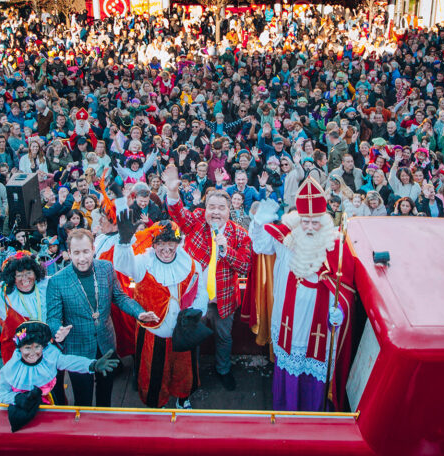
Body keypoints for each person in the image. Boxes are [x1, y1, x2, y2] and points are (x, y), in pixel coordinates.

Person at [248, 177, 357, 411]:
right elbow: (260, 246)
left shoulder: (335, 245)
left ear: (324, 221)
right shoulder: (285, 239)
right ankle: (285, 408)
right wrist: (259, 221)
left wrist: (341, 310)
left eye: (314, 222)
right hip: (287, 317)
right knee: (288, 361)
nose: (308, 227)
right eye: (304, 221)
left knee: (314, 366)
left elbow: (345, 288)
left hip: (317, 323)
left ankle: (314, 414)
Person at [161, 163, 252, 391]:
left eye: (221, 207)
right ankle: (191, 375)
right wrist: (173, 192)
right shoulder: (198, 221)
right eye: (212, 206)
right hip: (194, 298)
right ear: (206, 208)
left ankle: (223, 370)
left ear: (229, 211)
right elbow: (179, 214)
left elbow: (245, 265)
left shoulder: (239, 234)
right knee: (192, 338)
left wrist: (226, 250)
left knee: (224, 338)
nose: (216, 212)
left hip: (223, 297)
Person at [45, 228, 156, 407]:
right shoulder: (57, 281)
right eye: (77, 253)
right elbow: (53, 317)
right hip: (77, 349)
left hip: (106, 344)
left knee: (106, 396)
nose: (82, 258)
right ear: (69, 253)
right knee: (83, 400)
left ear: (94, 249)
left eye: (86, 251)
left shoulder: (106, 268)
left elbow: (119, 297)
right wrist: (57, 330)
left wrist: (139, 312)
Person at [112, 213, 206, 408]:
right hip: (153, 332)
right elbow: (121, 264)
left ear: (178, 243)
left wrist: (197, 312)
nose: (166, 249)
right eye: (160, 243)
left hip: (183, 331)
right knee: (155, 372)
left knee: (184, 370)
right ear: (153, 244)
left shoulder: (191, 264)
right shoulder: (142, 263)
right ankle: (158, 403)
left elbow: (201, 293)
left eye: (171, 242)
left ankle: (182, 398)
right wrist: (123, 241)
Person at [0, 321, 117, 431]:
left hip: (50, 406)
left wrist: (92, 365)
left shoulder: (50, 357)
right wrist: (18, 398)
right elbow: (1, 395)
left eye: (37, 347)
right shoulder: (9, 369)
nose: (32, 353)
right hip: (22, 412)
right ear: (20, 348)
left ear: (43, 346)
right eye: (27, 348)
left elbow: (70, 361)